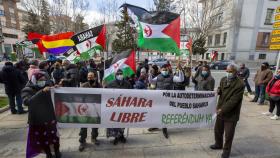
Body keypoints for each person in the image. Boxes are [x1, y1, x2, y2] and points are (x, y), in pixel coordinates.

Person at [21, 72, 61, 158]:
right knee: (43, 138)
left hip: (50, 117)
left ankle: (57, 151)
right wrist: (41, 92)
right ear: (34, 80)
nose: (43, 82)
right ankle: (48, 154)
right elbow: (27, 102)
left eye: (44, 80)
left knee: (54, 136)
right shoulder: (27, 90)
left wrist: (56, 89)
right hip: (38, 119)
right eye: (40, 80)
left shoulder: (47, 86)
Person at [210, 64, 245, 158]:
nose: (228, 73)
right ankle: (218, 144)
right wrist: (218, 90)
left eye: (231, 71)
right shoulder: (223, 79)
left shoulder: (240, 84)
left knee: (229, 134)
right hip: (220, 110)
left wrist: (223, 109)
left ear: (236, 72)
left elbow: (234, 100)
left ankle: (226, 151)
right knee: (218, 130)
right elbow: (221, 89)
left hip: (231, 113)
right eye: (227, 71)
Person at [148, 64, 184, 138]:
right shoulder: (158, 77)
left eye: (166, 70)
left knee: (165, 113)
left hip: (167, 99)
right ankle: (156, 125)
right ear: (160, 70)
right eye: (163, 70)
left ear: (168, 70)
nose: (164, 71)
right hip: (159, 99)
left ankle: (164, 128)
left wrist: (180, 71)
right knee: (157, 113)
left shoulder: (172, 77)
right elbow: (151, 81)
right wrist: (150, 74)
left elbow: (181, 79)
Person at [106, 69, 132, 145]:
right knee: (115, 122)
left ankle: (121, 135)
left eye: (121, 73)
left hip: (124, 106)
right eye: (118, 74)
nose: (120, 75)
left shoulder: (127, 84)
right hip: (114, 107)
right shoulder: (110, 84)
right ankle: (116, 137)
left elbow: (132, 94)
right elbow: (107, 95)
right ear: (115, 75)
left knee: (123, 122)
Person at [79, 72, 101, 151]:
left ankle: (94, 138)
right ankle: (82, 141)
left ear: (94, 77)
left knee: (95, 125)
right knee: (83, 126)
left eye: (91, 76)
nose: (89, 78)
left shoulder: (98, 85)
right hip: (85, 108)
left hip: (95, 108)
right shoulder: (84, 85)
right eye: (88, 76)